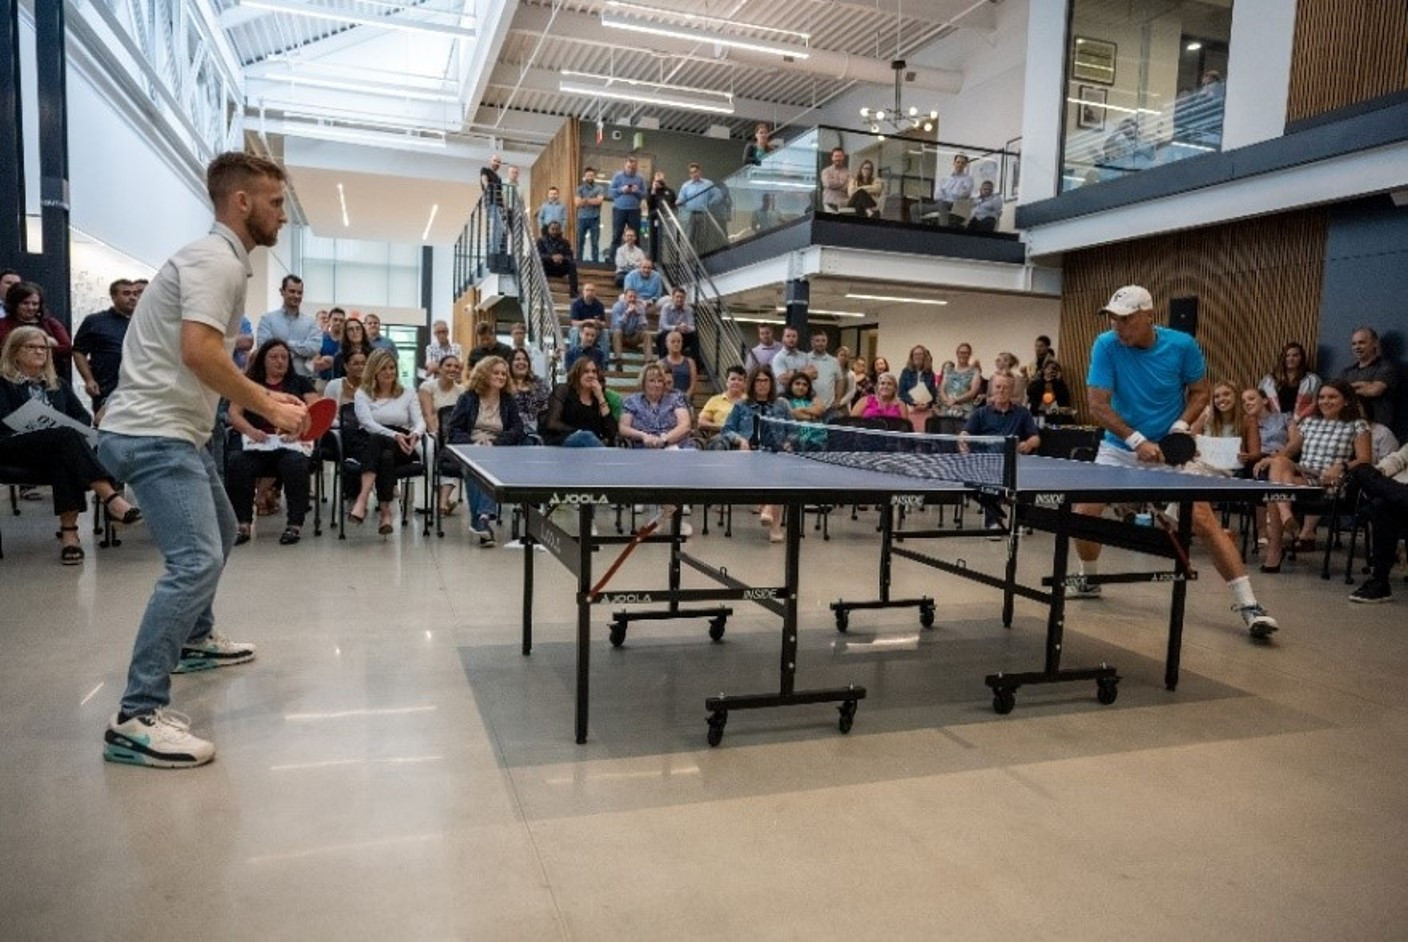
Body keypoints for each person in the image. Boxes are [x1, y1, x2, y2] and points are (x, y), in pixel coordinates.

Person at [97, 151, 309, 768]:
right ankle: (135, 716)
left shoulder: (216, 260)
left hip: (173, 431)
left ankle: (194, 639)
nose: (283, 216)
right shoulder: (218, 261)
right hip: (154, 434)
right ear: (241, 202)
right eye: (275, 203)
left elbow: (207, 356)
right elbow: (199, 353)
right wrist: (268, 409)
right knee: (195, 560)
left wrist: (264, 394)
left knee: (218, 530)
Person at [1070, 284, 1278, 639]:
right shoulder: (1106, 345)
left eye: (1126, 319)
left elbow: (1200, 392)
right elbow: (1098, 405)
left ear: (1148, 316)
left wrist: (1178, 431)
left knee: (1201, 518)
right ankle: (1088, 578)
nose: (1118, 327)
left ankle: (1249, 606)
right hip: (1120, 448)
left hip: (1168, 451)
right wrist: (1137, 440)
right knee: (1083, 514)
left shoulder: (1182, 346)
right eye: (1113, 319)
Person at [0, 326, 141, 563]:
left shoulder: (57, 384)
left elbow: (82, 417)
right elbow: (3, 420)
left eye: (43, 347)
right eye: (31, 347)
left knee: (65, 451)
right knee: (65, 439)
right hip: (11, 447)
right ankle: (110, 498)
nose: (39, 352)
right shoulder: (3, 383)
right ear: (14, 352)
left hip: (55, 450)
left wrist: (60, 429)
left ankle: (70, 537)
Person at [1255, 380, 1372, 571]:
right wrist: (1271, 458)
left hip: (1331, 482)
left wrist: (1342, 466)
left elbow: (1365, 460)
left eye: (1332, 397)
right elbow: (1291, 450)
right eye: (1322, 397)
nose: (1325, 401)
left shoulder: (1358, 425)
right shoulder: (1310, 422)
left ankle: (1275, 549)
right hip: (1306, 476)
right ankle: (1286, 514)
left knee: (1274, 493)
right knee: (1278, 463)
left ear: (1347, 401)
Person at [224, 339, 321, 545]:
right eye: (274, 357)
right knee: (237, 461)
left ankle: (294, 525)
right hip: (257, 443)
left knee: (295, 463)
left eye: (284, 357)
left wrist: (298, 432)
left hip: (290, 444)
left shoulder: (301, 382)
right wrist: (251, 430)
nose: (280, 361)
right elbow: (234, 413)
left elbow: (316, 412)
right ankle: (243, 524)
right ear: (263, 360)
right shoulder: (250, 383)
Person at [447, 355, 524, 545]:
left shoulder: (507, 400)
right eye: (496, 373)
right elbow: (454, 429)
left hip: (497, 449)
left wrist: (495, 443)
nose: (501, 377)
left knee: (486, 464)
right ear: (484, 374)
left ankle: (480, 520)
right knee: (474, 465)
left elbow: (517, 429)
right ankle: (484, 517)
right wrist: (473, 444)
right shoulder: (468, 398)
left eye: (504, 374)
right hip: (471, 447)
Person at [349, 347, 424, 535]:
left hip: (402, 444)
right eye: (384, 368)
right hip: (369, 441)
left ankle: (362, 499)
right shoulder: (362, 394)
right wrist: (393, 435)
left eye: (392, 368)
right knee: (384, 454)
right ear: (374, 370)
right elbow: (367, 424)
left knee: (384, 448)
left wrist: (415, 433)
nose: (389, 372)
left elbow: (420, 420)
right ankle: (385, 513)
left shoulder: (407, 393)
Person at [962, 372, 1040, 532]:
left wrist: (1028, 443)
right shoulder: (981, 413)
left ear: (1012, 391)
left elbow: (1035, 438)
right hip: (986, 463)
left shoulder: (1023, 413)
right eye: (998, 386)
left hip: (1014, 462)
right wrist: (962, 442)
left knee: (1025, 478)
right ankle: (992, 522)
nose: (1001, 390)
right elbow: (965, 434)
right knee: (993, 475)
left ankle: (1021, 521)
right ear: (992, 389)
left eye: (1006, 387)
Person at [720, 366, 790, 541]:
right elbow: (726, 430)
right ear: (752, 383)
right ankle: (773, 522)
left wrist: (789, 442)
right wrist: (740, 440)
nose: (762, 384)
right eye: (758, 380)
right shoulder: (741, 406)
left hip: (775, 453)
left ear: (771, 383)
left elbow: (794, 430)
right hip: (749, 456)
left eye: (766, 380)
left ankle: (771, 516)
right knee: (777, 470)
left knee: (779, 466)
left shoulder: (782, 405)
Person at [1345, 440, 1408, 603]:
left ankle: (1380, 582)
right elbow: (1398, 458)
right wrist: (1380, 471)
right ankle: (1380, 584)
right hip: (1400, 491)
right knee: (1382, 504)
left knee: (1380, 500)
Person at [73, 278, 139, 413]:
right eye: (126, 293)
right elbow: (78, 351)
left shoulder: (143, 322)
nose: (132, 297)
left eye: (135, 294)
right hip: (107, 389)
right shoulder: (95, 321)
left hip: (139, 390)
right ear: (114, 297)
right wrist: (89, 380)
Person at [0, 281, 73, 379]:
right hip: (10, 378)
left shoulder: (50, 323)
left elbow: (66, 348)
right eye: (25, 303)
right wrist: (48, 343)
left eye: (35, 304)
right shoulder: (3, 325)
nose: (30, 308)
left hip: (48, 377)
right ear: (14, 304)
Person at [255, 275, 322, 378]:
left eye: (299, 293)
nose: (296, 296)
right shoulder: (267, 319)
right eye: (292, 291)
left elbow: (314, 348)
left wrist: (284, 344)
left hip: (302, 379)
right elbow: (264, 347)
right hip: (272, 379)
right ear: (282, 291)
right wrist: (300, 348)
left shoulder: (311, 323)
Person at [541, 357, 616, 447]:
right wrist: (578, 432)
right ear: (577, 374)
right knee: (585, 436)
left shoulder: (598, 397)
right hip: (563, 441)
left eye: (594, 371)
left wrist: (601, 398)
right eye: (586, 371)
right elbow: (552, 423)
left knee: (588, 437)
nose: (591, 375)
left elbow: (612, 432)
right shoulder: (564, 390)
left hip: (590, 448)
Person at [1343, 326, 1398, 431]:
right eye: (1354, 344)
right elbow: (1338, 393)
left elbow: (1374, 391)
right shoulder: (1347, 372)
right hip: (1350, 428)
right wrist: (1365, 385)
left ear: (1375, 344)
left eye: (1361, 342)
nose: (1357, 347)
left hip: (1377, 429)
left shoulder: (1386, 367)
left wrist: (1348, 389)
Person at [1257, 341, 1321, 421]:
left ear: (1301, 358)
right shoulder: (1268, 380)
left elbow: (1316, 403)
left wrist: (1296, 420)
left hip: (1303, 423)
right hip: (1274, 424)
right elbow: (1259, 402)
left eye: (1295, 355)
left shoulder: (1313, 380)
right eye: (1287, 356)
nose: (1291, 359)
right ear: (1283, 358)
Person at [913, 153, 974, 226]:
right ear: (954, 163)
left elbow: (962, 195)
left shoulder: (968, 179)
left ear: (965, 165)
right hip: (939, 203)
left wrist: (945, 192)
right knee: (914, 207)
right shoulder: (945, 178)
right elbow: (937, 195)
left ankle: (943, 231)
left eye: (962, 163)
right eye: (958, 162)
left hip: (954, 206)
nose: (960, 165)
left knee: (942, 205)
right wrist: (951, 193)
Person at [608, 154, 647, 261]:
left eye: (633, 167)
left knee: (636, 236)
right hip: (619, 210)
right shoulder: (617, 176)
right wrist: (622, 190)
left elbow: (644, 194)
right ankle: (613, 259)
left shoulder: (640, 178)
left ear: (636, 167)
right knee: (617, 234)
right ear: (625, 165)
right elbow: (611, 193)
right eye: (629, 167)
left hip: (634, 210)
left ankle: (637, 259)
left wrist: (636, 191)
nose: (631, 169)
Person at [507, 346, 551, 437]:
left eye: (525, 359)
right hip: (512, 430)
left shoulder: (539, 383)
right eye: (517, 359)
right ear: (510, 364)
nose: (521, 362)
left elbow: (549, 407)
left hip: (538, 429)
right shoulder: (504, 385)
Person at [676, 163, 721, 245]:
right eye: (691, 173)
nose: (694, 174)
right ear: (689, 174)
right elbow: (681, 198)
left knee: (702, 238)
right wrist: (679, 202)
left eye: (695, 172)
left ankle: (701, 257)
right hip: (689, 215)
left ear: (699, 172)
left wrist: (709, 204)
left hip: (703, 214)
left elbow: (718, 195)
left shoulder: (708, 183)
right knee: (689, 237)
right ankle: (689, 257)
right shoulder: (686, 185)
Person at [804, 330, 845, 418]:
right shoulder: (805, 358)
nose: (820, 343)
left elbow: (840, 381)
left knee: (830, 431)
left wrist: (838, 400)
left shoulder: (834, 361)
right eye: (817, 340)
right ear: (812, 342)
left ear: (827, 343)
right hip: (810, 406)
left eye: (823, 340)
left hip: (829, 407)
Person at [698, 365, 747, 437]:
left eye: (740, 380)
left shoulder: (751, 401)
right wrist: (722, 427)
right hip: (721, 437)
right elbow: (701, 422)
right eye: (733, 379)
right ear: (727, 382)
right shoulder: (715, 400)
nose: (736, 382)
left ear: (744, 384)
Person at [608, 289, 650, 370]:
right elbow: (616, 325)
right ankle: (618, 361)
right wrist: (627, 313)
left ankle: (648, 362)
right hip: (620, 337)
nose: (632, 299)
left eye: (634, 297)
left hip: (632, 337)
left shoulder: (640, 307)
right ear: (625, 298)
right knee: (617, 331)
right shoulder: (618, 306)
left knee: (647, 334)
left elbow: (644, 327)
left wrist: (639, 315)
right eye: (630, 297)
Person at [537, 220, 580, 298]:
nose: (554, 231)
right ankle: (540, 290)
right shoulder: (541, 241)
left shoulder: (565, 242)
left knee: (572, 264)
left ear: (560, 230)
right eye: (552, 229)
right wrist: (551, 257)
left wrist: (562, 258)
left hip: (560, 268)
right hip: (547, 267)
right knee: (540, 263)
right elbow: (538, 255)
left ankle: (574, 292)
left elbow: (570, 256)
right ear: (548, 229)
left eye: (557, 229)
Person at [937, 343, 982, 417]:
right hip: (947, 409)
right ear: (957, 354)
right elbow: (942, 389)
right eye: (961, 352)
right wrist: (947, 401)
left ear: (969, 354)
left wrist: (955, 400)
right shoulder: (948, 371)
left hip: (965, 411)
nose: (963, 355)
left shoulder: (974, 371)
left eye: (966, 353)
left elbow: (973, 392)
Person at [654, 286, 698, 360]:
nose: (679, 299)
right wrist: (676, 328)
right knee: (666, 334)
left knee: (694, 336)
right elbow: (663, 325)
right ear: (673, 298)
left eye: (682, 297)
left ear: (684, 298)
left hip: (680, 336)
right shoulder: (666, 308)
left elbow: (693, 327)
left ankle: (697, 364)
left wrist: (685, 327)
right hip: (665, 336)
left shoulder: (689, 309)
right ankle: (663, 363)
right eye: (677, 297)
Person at [898, 344, 939, 417]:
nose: (917, 356)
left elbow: (933, 393)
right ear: (912, 357)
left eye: (920, 354)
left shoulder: (930, 373)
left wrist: (927, 404)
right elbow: (901, 392)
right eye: (915, 354)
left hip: (925, 409)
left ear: (924, 356)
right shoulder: (905, 372)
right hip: (909, 408)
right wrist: (913, 402)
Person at [568, 281, 609, 354]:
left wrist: (599, 323)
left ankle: (604, 361)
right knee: (575, 330)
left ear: (595, 293)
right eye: (587, 290)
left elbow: (604, 323)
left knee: (605, 332)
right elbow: (573, 322)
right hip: (580, 329)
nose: (590, 292)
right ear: (583, 292)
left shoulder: (599, 305)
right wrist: (588, 321)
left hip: (594, 331)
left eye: (592, 290)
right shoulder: (576, 304)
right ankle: (574, 355)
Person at [574, 166, 604, 262]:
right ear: (585, 176)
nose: (590, 177)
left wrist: (585, 200)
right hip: (582, 218)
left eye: (591, 175)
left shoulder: (599, 188)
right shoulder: (579, 189)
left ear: (594, 176)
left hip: (595, 218)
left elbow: (599, 201)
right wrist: (592, 200)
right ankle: (579, 262)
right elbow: (577, 203)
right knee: (580, 242)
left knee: (595, 242)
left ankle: (595, 263)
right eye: (588, 175)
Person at [658, 330, 697, 399]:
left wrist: (685, 398)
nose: (676, 344)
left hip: (685, 399)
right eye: (673, 342)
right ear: (667, 344)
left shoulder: (690, 362)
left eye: (679, 341)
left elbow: (693, 385)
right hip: (666, 399)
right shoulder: (660, 363)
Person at [819, 148, 850, 212]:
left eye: (840, 156)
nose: (838, 158)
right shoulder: (826, 171)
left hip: (844, 204)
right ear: (832, 158)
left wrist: (834, 184)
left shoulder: (848, 172)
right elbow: (828, 184)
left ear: (843, 157)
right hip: (829, 203)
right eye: (836, 156)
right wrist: (842, 183)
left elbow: (848, 187)